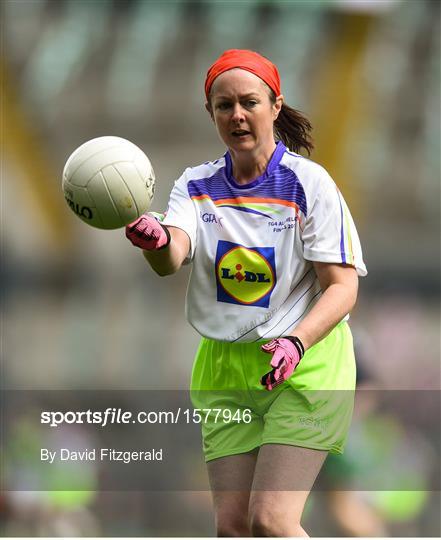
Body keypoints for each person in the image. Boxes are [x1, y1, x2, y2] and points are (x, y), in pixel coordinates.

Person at [126, 49, 367, 537]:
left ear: (275, 106)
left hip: (305, 363)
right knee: (234, 528)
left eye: (249, 102)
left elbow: (342, 288)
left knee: (272, 522)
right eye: (224, 105)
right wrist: (154, 241)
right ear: (210, 112)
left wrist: (296, 342)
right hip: (225, 366)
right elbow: (172, 255)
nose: (237, 114)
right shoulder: (196, 185)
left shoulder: (308, 184)